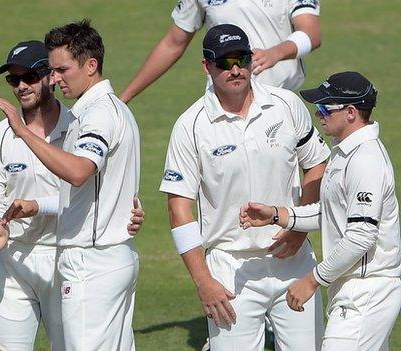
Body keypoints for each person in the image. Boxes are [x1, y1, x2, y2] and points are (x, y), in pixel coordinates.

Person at [159, 24, 330, 350]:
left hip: (292, 261)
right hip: (230, 270)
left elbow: (316, 165)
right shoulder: (190, 126)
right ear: (206, 66)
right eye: (224, 62)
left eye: (242, 58)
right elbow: (178, 208)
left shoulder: (286, 105)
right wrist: (203, 281)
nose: (235, 69)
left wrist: (300, 229)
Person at [0, 19, 141, 350]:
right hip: (112, 256)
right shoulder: (114, 110)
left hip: (91, 261)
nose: (55, 78)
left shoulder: (96, 115)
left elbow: (79, 172)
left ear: (90, 65)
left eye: (61, 70)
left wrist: (22, 131)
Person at [240, 71, 401, 350]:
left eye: (326, 107)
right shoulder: (345, 152)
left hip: (366, 291)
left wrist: (313, 280)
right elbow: (332, 214)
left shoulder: (365, 160)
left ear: (351, 112)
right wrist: (279, 215)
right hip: (354, 287)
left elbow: (360, 237)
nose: (319, 114)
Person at [120, 0, 322, 103]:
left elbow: (311, 34)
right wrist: (125, 97)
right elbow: (173, 43)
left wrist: (275, 53)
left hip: (279, 100)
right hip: (221, 104)